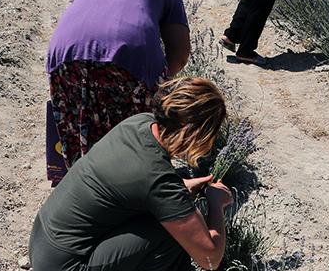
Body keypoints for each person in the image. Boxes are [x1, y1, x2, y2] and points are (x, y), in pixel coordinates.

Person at [30, 77, 232, 271]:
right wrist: (216, 204)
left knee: (172, 214)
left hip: (42, 241)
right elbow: (210, 259)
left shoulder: (139, 123)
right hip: (65, 266)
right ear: (195, 132)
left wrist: (181, 187)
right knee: (175, 234)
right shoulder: (157, 178)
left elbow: (134, 181)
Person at [46, 0, 190, 182]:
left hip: (64, 52)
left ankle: (79, 187)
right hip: (129, 51)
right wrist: (157, 85)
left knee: (80, 118)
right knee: (134, 133)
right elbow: (181, 54)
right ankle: (132, 188)